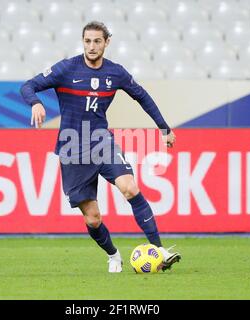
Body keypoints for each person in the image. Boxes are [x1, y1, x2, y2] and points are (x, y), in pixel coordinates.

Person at [20, 21, 181, 273]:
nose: (92, 46)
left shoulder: (115, 73)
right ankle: (113, 254)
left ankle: (159, 251)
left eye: (97, 41)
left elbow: (142, 96)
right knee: (93, 219)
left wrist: (164, 128)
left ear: (107, 42)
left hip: (101, 142)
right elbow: (28, 85)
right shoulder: (66, 69)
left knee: (129, 188)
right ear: (82, 41)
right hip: (72, 147)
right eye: (87, 41)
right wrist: (34, 103)